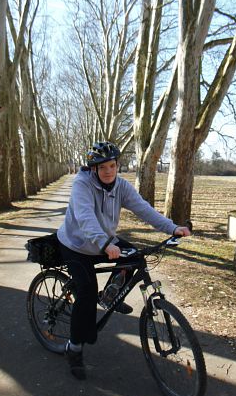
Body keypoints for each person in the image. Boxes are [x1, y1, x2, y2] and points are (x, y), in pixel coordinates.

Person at [57, 141, 191, 380]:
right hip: (76, 244)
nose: (108, 171)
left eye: (112, 165)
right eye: (102, 167)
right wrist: (105, 244)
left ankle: (109, 297)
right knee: (86, 293)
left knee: (135, 258)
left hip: (103, 242)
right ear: (93, 169)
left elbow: (144, 209)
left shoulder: (121, 186)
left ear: (118, 165)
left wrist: (172, 228)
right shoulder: (82, 185)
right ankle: (74, 348)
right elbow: (85, 218)